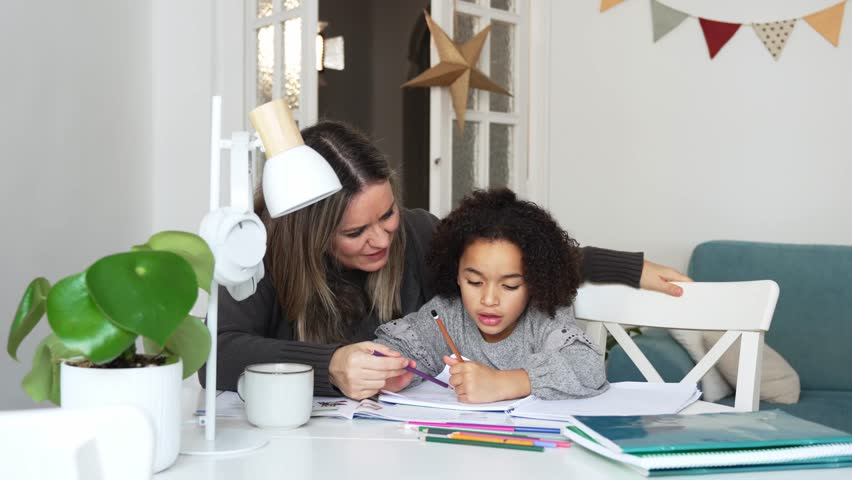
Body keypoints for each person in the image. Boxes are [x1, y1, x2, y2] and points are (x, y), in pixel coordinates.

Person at [208, 121, 690, 400]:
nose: (380, 239)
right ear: (308, 231)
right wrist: (329, 364)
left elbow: (510, 250)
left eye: (387, 214)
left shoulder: (416, 233)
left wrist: (628, 268)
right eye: (355, 232)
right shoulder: (257, 252)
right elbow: (216, 356)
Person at [376, 188, 607, 403]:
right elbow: (397, 348)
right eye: (475, 282)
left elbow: (588, 366)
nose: (488, 300)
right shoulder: (448, 313)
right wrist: (388, 371)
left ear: (535, 281)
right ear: (456, 273)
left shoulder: (543, 315)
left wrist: (504, 383)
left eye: (510, 286)